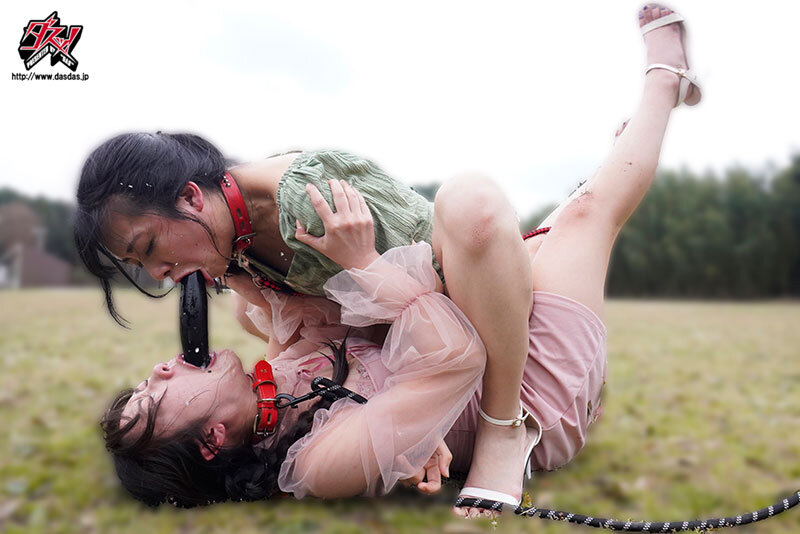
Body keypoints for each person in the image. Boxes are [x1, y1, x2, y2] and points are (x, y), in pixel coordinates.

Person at [88, 2, 700, 517]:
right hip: (531, 391)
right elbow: (455, 358)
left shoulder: (276, 370)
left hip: (482, 326)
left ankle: (649, 110)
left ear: (191, 198)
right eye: (151, 396)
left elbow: (356, 325)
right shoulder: (314, 463)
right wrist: (365, 265)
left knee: (555, 217)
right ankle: (662, 84)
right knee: (585, 212)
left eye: (150, 251)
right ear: (212, 441)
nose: (159, 368)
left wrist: (262, 285)